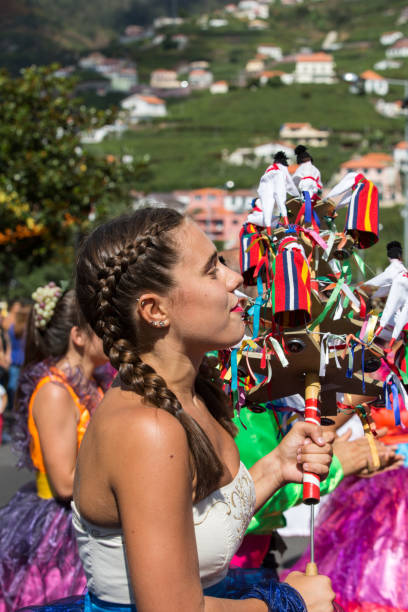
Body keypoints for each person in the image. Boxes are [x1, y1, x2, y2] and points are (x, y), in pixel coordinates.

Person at [24, 207, 338, 612]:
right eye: (212, 270)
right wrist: (292, 603)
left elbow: (204, 522)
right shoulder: (148, 429)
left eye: (221, 262)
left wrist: (277, 467)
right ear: (155, 311)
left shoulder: (194, 393)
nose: (235, 277)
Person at [0, 284, 108, 611]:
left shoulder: (98, 382)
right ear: (78, 335)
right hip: (61, 530)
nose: (116, 333)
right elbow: (64, 483)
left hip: (92, 516)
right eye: (105, 326)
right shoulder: (55, 392)